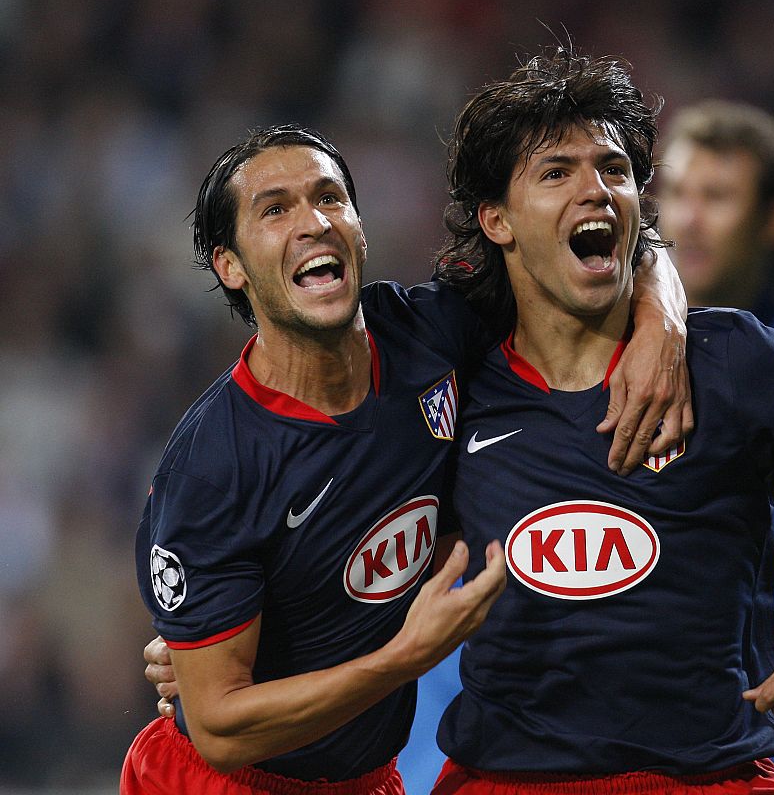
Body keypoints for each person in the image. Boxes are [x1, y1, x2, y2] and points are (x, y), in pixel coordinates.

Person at [423, 48, 774, 793]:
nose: (595, 190)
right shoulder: (448, 383)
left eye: (613, 170)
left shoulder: (740, 362)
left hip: (708, 777)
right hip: (501, 777)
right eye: (557, 173)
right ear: (496, 220)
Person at [124, 123, 692, 795]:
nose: (314, 223)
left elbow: (602, 246)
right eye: (275, 210)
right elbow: (221, 733)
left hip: (368, 782)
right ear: (231, 266)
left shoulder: (428, 332)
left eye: (329, 198)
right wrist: (403, 657)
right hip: (224, 783)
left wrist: (663, 319)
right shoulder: (214, 467)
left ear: (360, 230)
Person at [656, 101, 774, 674]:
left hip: (711, 704)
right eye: (675, 192)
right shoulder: (584, 330)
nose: (688, 219)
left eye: (716, 197)